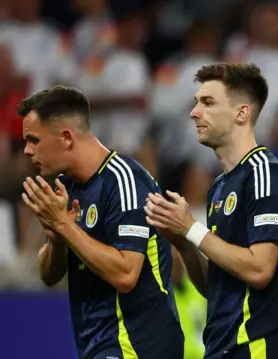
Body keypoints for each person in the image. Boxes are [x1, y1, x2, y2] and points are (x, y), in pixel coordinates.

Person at [144, 63, 278, 359]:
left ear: (241, 113)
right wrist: (183, 242)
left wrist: (192, 227)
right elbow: (213, 287)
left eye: (207, 102)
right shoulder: (219, 187)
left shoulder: (266, 174)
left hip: (259, 345)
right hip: (223, 348)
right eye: (196, 103)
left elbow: (259, 270)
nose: (194, 112)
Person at [19, 85, 184, 359]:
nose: (26, 150)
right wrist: (58, 238)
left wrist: (64, 226)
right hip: (98, 345)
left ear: (66, 138)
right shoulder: (67, 188)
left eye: (34, 140)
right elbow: (49, 275)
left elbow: (126, 274)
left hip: (138, 345)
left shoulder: (125, 182)